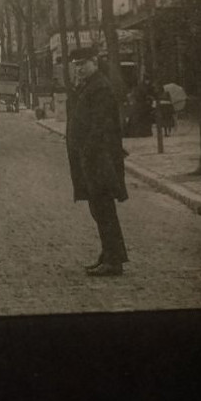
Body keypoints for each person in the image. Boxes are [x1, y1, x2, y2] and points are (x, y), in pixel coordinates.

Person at [66, 55, 129, 276]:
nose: (80, 68)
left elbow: (100, 125)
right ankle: (110, 253)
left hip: (100, 159)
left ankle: (114, 260)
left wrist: (87, 150)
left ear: (94, 63)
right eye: (77, 65)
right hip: (93, 159)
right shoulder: (90, 86)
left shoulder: (100, 88)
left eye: (83, 64)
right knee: (99, 208)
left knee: (103, 208)